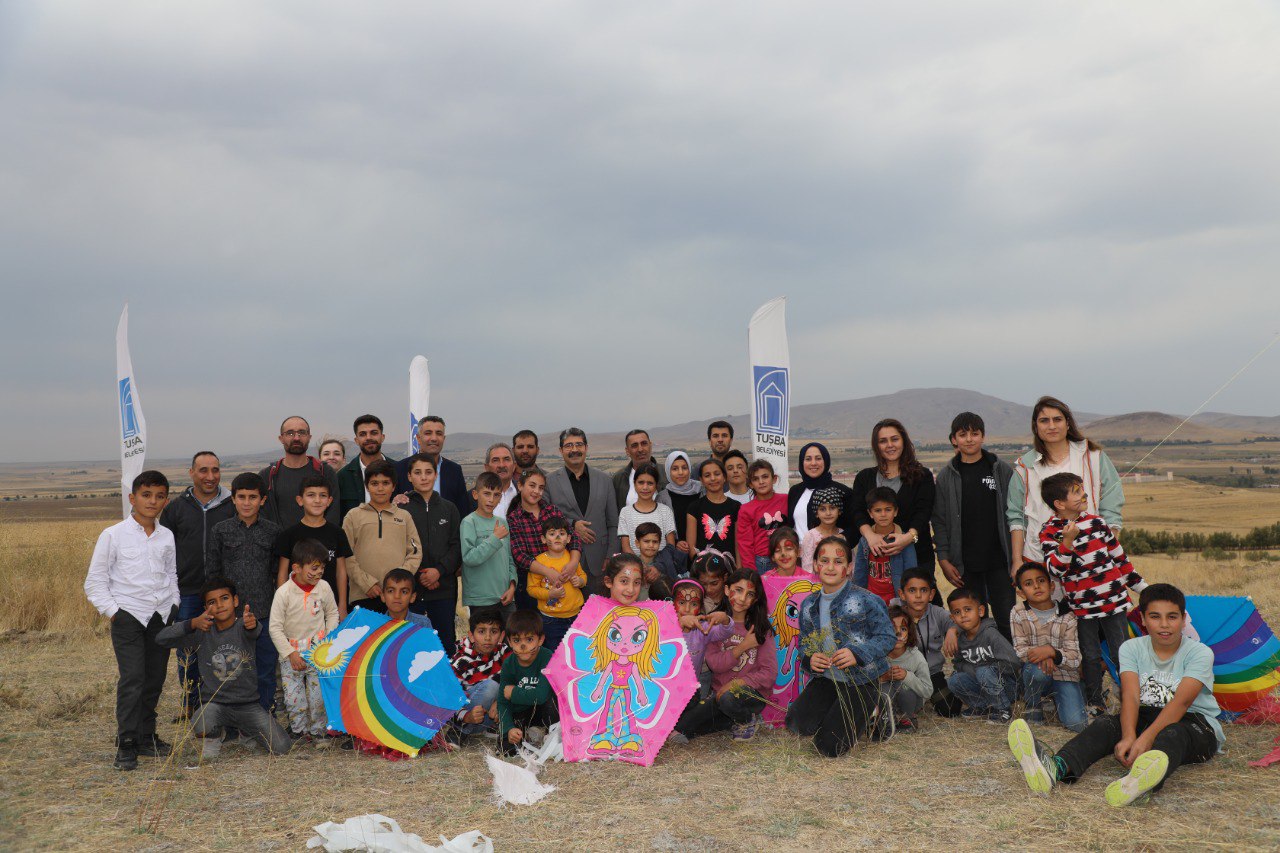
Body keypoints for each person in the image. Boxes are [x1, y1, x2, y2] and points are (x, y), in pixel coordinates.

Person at [1008, 583, 1223, 808]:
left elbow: (1182, 703)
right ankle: (1056, 768)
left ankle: (1140, 784)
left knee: (1172, 734)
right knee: (1106, 724)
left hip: (1194, 723)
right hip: (1146, 716)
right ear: (1142, 618)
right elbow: (1130, 695)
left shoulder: (1200, 653)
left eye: (1172, 617)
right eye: (1155, 617)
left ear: (1183, 618)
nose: (1164, 625)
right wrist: (1130, 736)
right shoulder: (1131, 648)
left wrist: (1146, 739)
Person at [84, 470, 179, 770]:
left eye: (159, 496)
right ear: (132, 498)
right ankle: (126, 744)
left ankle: (146, 736)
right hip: (128, 617)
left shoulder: (166, 536)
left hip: (161, 616)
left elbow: (171, 574)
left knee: (155, 679)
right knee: (133, 680)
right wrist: (114, 612)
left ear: (166, 499)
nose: (153, 501)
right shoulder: (113, 535)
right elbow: (95, 582)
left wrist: (174, 602)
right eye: (146, 495)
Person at [1039, 472, 1146, 716]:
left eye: (1083, 489)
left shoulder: (1097, 522)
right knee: (1090, 654)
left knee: (1122, 651)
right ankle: (1095, 701)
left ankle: (1133, 699)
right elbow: (1055, 569)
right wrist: (1067, 542)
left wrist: (1141, 587)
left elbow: (1119, 558)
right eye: (1076, 492)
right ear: (1059, 503)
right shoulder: (1049, 532)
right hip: (1083, 608)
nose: (1084, 495)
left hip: (1114, 601)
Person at [786, 536, 898, 758]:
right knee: (796, 724)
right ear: (816, 565)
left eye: (838, 562)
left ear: (849, 567)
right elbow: (804, 645)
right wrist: (810, 659)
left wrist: (858, 653)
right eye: (824, 560)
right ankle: (844, 713)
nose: (830, 567)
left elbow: (887, 637)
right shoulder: (809, 605)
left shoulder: (867, 599)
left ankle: (876, 704)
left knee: (829, 748)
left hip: (861, 680)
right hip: (828, 678)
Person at [157, 577, 293, 760]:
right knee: (200, 720)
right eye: (212, 602)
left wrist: (251, 623)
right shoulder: (203, 632)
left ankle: (246, 732)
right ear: (206, 608)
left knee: (282, 747)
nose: (220, 605)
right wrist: (192, 623)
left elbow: (253, 629)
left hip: (248, 705)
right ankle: (214, 737)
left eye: (225, 598)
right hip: (215, 705)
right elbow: (161, 639)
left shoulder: (244, 626)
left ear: (235, 601)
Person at [1007, 395, 1125, 571]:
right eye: (1044, 420)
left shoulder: (1093, 456)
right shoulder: (1024, 467)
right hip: (1040, 558)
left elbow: (1112, 505)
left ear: (1068, 423)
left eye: (1057, 419)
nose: (1052, 426)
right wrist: (1017, 561)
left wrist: (1107, 549)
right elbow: (1016, 517)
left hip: (1090, 557)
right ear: (1035, 426)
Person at [159, 450, 235, 719]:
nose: (210, 476)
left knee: (225, 648)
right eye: (203, 470)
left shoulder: (231, 505)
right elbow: (163, 550)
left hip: (222, 592)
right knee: (188, 650)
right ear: (191, 473)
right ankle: (190, 703)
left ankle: (221, 705)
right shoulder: (176, 509)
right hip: (188, 591)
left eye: (215, 470)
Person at [932, 412, 1016, 639]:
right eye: (963, 434)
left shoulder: (1000, 470)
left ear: (983, 437)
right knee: (973, 623)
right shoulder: (946, 477)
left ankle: (1011, 671)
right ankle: (981, 668)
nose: (969, 439)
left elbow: (1016, 515)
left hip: (1000, 560)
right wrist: (944, 558)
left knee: (1007, 619)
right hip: (966, 564)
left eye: (975, 434)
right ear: (953, 440)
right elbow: (939, 520)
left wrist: (1017, 556)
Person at [206, 472, 282, 712]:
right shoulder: (221, 530)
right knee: (232, 670)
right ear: (233, 499)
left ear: (263, 500)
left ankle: (264, 716)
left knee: (265, 668)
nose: (247, 502)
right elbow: (213, 572)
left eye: (253, 497)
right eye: (241, 497)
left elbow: (276, 572)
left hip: (264, 612)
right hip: (229, 617)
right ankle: (231, 719)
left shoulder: (273, 532)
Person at [675, 570, 776, 742]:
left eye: (750, 594)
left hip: (750, 695)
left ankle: (747, 719)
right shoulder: (715, 623)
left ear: (756, 599)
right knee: (682, 728)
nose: (742, 598)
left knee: (729, 699)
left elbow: (769, 673)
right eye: (738, 590)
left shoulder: (760, 628)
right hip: (719, 695)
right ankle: (732, 720)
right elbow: (715, 664)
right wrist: (744, 646)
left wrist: (736, 683)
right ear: (727, 590)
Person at [268, 539, 339, 744]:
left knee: (318, 697)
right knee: (293, 697)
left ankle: (319, 731)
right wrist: (290, 653)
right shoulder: (284, 593)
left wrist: (328, 638)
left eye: (322, 568)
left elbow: (332, 613)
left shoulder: (324, 588)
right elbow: (275, 627)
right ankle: (299, 730)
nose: (319, 573)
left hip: (318, 652)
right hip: (291, 654)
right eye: (314, 567)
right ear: (296, 568)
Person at [851, 419, 936, 584]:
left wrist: (908, 537)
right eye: (883, 441)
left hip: (918, 555)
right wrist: (870, 536)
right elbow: (857, 510)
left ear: (903, 441)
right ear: (876, 446)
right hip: (875, 559)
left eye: (894, 439)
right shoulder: (864, 477)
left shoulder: (922, 476)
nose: (890, 445)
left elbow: (924, 511)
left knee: (919, 605)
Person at [1011, 563, 1087, 733]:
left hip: (1065, 674)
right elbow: (1020, 649)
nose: (1036, 586)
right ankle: (1033, 703)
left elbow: (1074, 658)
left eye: (1041, 581)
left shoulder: (1068, 616)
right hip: (1036, 671)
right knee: (1037, 672)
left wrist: (1053, 653)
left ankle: (1060, 696)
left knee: (1077, 724)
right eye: (1028, 583)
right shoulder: (1018, 612)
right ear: (1021, 592)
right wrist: (1042, 655)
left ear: (1052, 586)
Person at [401, 453, 462, 655]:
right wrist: (421, 575)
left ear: (436, 475)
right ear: (409, 476)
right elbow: (400, 547)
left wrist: (439, 571)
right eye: (418, 473)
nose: (424, 477)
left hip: (444, 589)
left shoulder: (449, 508)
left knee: (444, 645)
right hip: (413, 591)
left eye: (428, 472)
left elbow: (456, 546)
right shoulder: (401, 508)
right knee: (413, 646)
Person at [544, 428, 619, 594]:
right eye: (569, 445)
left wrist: (610, 556)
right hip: (563, 563)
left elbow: (613, 523)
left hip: (600, 563)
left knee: (598, 615)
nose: (574, 450)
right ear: (561, 450)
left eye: (579, 444)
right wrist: (572, 525)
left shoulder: (605, 480)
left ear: (586, 447)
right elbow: (545, 518)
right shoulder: (549, 482)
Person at [341, 461, 422, 611]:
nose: (380, 488)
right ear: (367, 486)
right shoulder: (353, 516)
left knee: (396, 635)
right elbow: (346, 555)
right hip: (363, 594)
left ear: (393, 486)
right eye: (374, 483)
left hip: (397, 598)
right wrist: (366, 583)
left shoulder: (404, 516)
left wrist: (398, 582)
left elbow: (415, 552)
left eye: (385, 483)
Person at [272, 475, 352, 617]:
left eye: (322, 496)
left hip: (330, 608)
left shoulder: (337, 533)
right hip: (297, 608)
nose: (317, 500)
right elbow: (282, 574)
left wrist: (342, 606)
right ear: (300, 500)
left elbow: (341, 572)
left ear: (329, 501)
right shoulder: (288, 535)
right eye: (311, 495)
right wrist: (282, 608)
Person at [507, 466, 583, 614]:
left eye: (541, 488)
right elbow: (519, 555)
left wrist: (573, 562)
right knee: (532, 628)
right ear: (520, 485)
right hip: (532, 582)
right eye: (532, 485)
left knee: (561, 620)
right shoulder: (514, 519)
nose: (537, 491)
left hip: (562, 575)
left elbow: (573, 537)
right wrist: (547, 571)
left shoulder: (551, 511)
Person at [946, 588, 1020, 724]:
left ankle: (1003, 709)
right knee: (954, 680)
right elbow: (958, 663)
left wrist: (988, 670)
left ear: (980, 611)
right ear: (952, 618)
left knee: (984, 671)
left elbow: (1013, 662)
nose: (963, 615)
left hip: (1006, 687)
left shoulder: (990, 634)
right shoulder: (960, 639)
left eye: (967, 609)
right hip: (982, 684)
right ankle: (982, 707)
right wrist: (976, 671)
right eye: (957, 612)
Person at [898, 568, 961, 718]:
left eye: (924, 590)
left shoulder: (937, 613)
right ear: (902, 594)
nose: (918, 596)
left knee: (950, 710)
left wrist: (952, 631)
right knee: (905, 708)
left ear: (931, 594)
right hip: (905, 674)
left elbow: (959, 621)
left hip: (932, 673)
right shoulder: (896, 615)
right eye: (912, 590)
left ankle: (938, 691)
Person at [259, 416, 341, 529]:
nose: (296, 438)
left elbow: (333, 513)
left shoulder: (325, 472)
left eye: (302, 433)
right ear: (281, 438)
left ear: (309, 437)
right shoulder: (267, 476)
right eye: (290, 433)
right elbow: (262, 516)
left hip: (318, 544)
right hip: (279, 544)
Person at [498, 610, 559, 757]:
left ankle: (547, 733)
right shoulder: (509, 664)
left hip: (544, 710)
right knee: (506, 749)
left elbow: (541, 695)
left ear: (541, 639)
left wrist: (514, 693)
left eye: (529, 639)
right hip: (521, 713)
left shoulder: (547, 657)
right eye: (517, 641)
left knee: (551, 704)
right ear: (509, 641)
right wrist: (509, 729)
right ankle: (529, 734)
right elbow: (502, 702)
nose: (523, 646)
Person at [448, 607, 509, 743]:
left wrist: (500, 701)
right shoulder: (460, 662)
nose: (488, 637)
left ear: (501, 635)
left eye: (493, 632)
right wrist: (466, 716)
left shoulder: (505, 652)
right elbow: (448, 699)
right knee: (491, 687)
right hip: (466, 716)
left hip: (490, 717)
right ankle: (458, 730)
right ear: (471, 635)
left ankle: (493, 727)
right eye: (481, 631)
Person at [526, 516, 588, 651]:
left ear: (569, 539)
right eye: (552, 534)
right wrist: (550, 594)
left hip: (576, 616)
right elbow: (531, 589)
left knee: (576, 652)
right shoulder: (539, 562)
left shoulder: (572, 559)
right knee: (555, 654)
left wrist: (580, 581)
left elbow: (583, 576)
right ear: (543, 539)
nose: (558, 537)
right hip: (551, 620)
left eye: (562, 533)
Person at [461, 471, 518, 613]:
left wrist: (512, 586)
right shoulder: (469, 522)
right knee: (484, 635)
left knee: (509, 635)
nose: (491, 499)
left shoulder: (502, 523)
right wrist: (494, 538)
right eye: (487, 493)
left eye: (496, 495)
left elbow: (509, 559)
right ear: (475, 495)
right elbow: (469, 558)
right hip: (480, 599)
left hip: (505, 597)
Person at [670, 578, 732, 708]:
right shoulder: (664, 625)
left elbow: (724, 632)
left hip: (692, 687)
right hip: (666, 688)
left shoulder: (703, 629)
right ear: (672, 603)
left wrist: (725, 619)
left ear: (701, 607)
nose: (687, 609)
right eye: (681, 602)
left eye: (693, 604)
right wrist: (677, 625)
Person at [394, 415, 474, 516]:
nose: (434, 438)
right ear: (418, 438)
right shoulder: (400, 468)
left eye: (439, 433)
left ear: (443, 438)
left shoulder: (454, 470)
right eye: (428, 433)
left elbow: (463, 510)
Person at [853, 487, 918, 605]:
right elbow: (859, 573)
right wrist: (857, 599)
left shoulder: (904, 540)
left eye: (888, 509)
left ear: (896, 511)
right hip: (871, 601)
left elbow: (911, 574)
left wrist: (908, 601)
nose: (883, 514)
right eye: (878, 510)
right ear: (870, 513)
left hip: (898, 602)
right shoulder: (864, 541)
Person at [879, 605, 932, 733]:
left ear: (910, 632)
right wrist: (883, 678)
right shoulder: (878, 655)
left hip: (911, 701)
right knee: (884, 689)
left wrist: (907, 676)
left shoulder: (916, 657)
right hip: (887, 699)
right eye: (892, 628)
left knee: (903, 687)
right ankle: (883, 719)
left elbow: (928, 691)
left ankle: (907, 719)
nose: (898, 633)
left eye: (903, 628)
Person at [787, 442, 855, 542]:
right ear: (802, 462)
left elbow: (855, 526)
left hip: (829, 554)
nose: (813, 463)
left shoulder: (842, 492)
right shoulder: (795, 491)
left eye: (818, 458)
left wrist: (841, 538)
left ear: (826, 461)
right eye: (808, 459)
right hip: (798, 555)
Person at [337, 415, 397, 519]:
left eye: (374, 433)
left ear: (382, 437)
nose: (368, 437)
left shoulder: (398, 470)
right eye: (363, 434)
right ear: (356, 440)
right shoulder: (343, 476)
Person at [736, 459, 790, 572]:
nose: (761, 482)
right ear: (750, 484)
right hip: (763, 562)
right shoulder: (746, 509)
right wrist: (751, 572)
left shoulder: (786, 500)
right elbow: (745, 544)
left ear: (774, 479)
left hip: (787, 557)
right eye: (756, 479)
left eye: (765, 477)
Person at [618, 462, 677, 554]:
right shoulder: (625, 512)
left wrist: (658, 566)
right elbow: (626, 546)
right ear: (634, 484)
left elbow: (670, 546)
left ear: (656, 485)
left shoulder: (665, 511)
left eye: (650, 483)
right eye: (641, 482)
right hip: (634, 566)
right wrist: (640, 566)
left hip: (661, 566)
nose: (645, 487)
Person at [686, 458, 740, 555]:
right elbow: (691, 547)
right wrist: (700, 567)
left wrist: (739, 569)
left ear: (724, 477)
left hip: (730, 566)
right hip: (702, 567)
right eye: (707, 475)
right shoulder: (694, 507)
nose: (713, 478)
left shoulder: (736, 507)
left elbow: (738, 544)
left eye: (717, 474)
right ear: (701, 480)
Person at [611, 429, 669, 510]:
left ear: (650, 446)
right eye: (634, 445)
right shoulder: (618, 479)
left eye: (644, 444)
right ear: (627, 451)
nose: (640, 449)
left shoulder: (667, 473)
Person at [660, 451, 703, 556]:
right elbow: (660, 528)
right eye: (675, 469)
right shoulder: (662, 497)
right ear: (668, 471)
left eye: (684, 468)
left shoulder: (702, 490)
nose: (680, 472)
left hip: (703, 550)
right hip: (677, 554)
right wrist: (675, 543)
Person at [800, 486, 846, 573]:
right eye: (823, 509)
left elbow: (850, 564)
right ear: (816, 513)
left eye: (832, 508)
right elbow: (807, 567)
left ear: (839, 511)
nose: (828, 513)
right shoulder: (811, 536)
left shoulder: (843, 534)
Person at [633, 522, 676, 600]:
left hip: (660, 608)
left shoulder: (665, 563)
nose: (651, 545)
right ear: (637, 543)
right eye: (646, 541)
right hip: (635, 607)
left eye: (655, 542)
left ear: (659, 543)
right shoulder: (632, 564)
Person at [483, 442, 519, 518]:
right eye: (495, 460)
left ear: (514, 466)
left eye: (506, 459)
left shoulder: (524, 493)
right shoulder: (473, 497)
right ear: (487, 467)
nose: (501, 465)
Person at [694, 550, 732, 615]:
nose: (708, 589)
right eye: (703, 584)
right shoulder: (695, 601)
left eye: (714, 583)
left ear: (725, 577)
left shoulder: (733, 600)